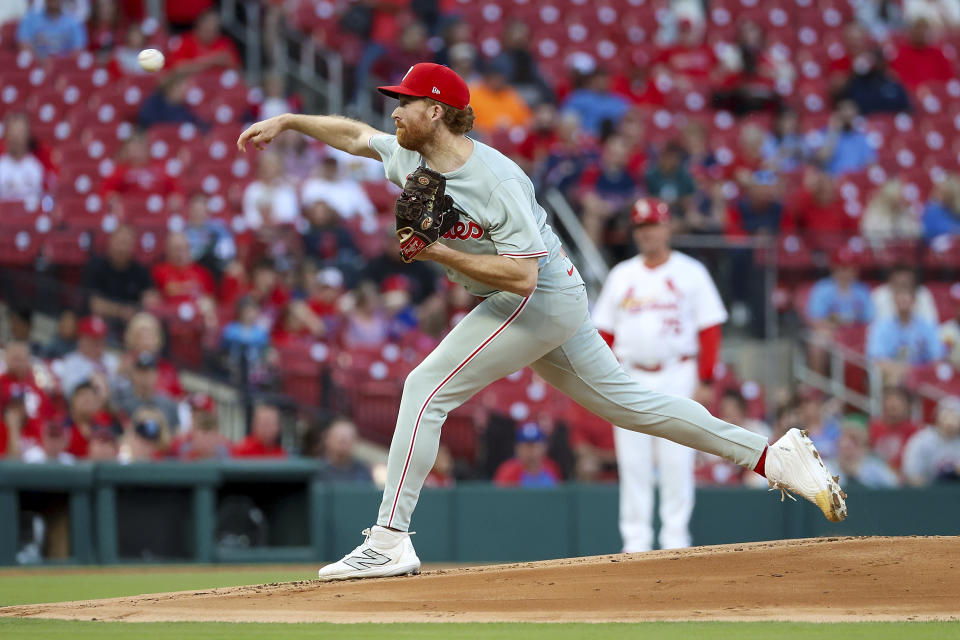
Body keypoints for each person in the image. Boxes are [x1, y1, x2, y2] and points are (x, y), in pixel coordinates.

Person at [237, 61, 846, 581]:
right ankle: (773, 457)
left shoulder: (495, 178)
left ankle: (390, 540)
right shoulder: (408, 153)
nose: (394, 111)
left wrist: (436, 251)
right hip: (554, 300)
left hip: (538, 298)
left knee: (424, 389)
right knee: (631, 406)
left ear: (439, 111)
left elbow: (524, 278)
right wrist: (291, 122)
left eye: (406, 102)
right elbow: (355, 136)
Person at [592, 197, 728, 552]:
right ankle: (635, 542)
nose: (647, 233)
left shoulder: (690, 272)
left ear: (667, 227)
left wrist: (707, 378)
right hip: (629, 376)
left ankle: (674, 541)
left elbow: (710, 327)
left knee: (676, 460)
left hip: (677, 373)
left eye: (652, 225)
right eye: (640, 227)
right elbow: (603, 333)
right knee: (633, 462)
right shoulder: (623, 275)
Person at [866, 286, 945, 382]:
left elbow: (936, 358)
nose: (903, 302)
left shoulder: (927, 326)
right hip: (893, 375)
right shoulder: (881, 327)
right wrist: (904, 371)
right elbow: (877, 360)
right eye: (900, 298)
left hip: (921, 376)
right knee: (893, 377)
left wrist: (916, 372)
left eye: (906, 298)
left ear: (914, 301)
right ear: (894, 301)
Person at [82, 225, 156, 325]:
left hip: (132, 326)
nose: (121, 248)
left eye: (126, 244)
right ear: (109, 242)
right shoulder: (95, 266)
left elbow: (151, 298)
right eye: (119, 242)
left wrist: (150, 301)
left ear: (133, 247)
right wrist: (122, 311)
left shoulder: (140, 270)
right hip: (101, 325)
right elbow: (95, 305)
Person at [110, 352, 180, 431]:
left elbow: (177, 432)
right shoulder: (120, 398)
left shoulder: (168, 403)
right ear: (133, 373)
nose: (145, 376)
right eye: (141, 371)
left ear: (156, 374)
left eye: (149, 371)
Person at [300, 156, 377, 225]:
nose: (330, 170)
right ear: (323, 167)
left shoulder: (350, 186)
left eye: (333, 167)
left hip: (345, 225)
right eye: (328, 167)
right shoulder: (312, 185)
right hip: (318, 226)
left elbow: (366, 209)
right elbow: (307, 209)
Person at [901, 397, 960, 486]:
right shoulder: (922, 440)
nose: (950, 422)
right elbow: (911, 473)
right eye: (946, 416)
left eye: (954, 417)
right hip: (927, 493)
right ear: (937, 418)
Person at [56, 316, 119, 398]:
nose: (98, 344)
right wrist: (90, 381)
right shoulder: (70, 361)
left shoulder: (112, 359)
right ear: (82, 340)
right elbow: (70, 391)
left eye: (100, 339)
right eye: (93, 339)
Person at [809, 100, 876, 176]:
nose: (848, 119)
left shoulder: (861, 137)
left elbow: (870, 163)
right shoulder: (825, 133)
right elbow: (823, 158)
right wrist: (834, 131)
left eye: (851, 116)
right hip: (832, 179)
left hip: (855, 179)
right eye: (845, 115)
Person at [828, 422, 900, 489]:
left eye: (855, 444)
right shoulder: (828, 468)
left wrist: (858, 474)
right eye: (845, 447)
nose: (849, 452)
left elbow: (895, 484)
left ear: (864, 448)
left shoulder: (873, 467)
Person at [242, 152, 299, 231]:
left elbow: (290, 216)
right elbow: (250, 218)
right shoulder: (253, 190)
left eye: (272, 166)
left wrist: (274, 222)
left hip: (281, 232)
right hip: (259, 233)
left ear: (279, 169)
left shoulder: (286, 190)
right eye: (266, 166)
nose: (269, 170)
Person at [868, 385, 920, 472]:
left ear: (908, 406)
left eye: (898, 400)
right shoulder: (873, 427)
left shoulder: (915, 431)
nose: (893, 404)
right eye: (889, 400)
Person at [493, 422, 562, 488]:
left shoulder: (552, 468)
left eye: (534, 446)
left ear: (544, 447)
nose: (530, 452)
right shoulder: (507, 471)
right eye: (526, 446)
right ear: (517, 449)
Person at [16, 0, 87, 59]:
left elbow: (79, 50)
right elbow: (24, 46)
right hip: (37, 67)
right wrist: (40, 61)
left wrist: (62, 64)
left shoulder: (74, 21)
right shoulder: (30, 18)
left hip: (66, 69)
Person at [0, 112, 45, 202]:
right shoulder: (1, 166)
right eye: (13, 132)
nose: (16, 137)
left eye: (20, 132)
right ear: (6, 135)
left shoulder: (37, 166)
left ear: (27, 135)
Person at [316, 418, 373, 483]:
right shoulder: (315, 468)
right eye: (339, 439)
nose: (343, 444)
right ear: (327, 439)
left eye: (348, 439)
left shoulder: (363, 471)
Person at [922, 173, 960, 241]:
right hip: (934, 248)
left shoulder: (953, 209)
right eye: (938, 189)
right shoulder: (933, 209)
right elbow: (945, 228)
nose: (938, 193)